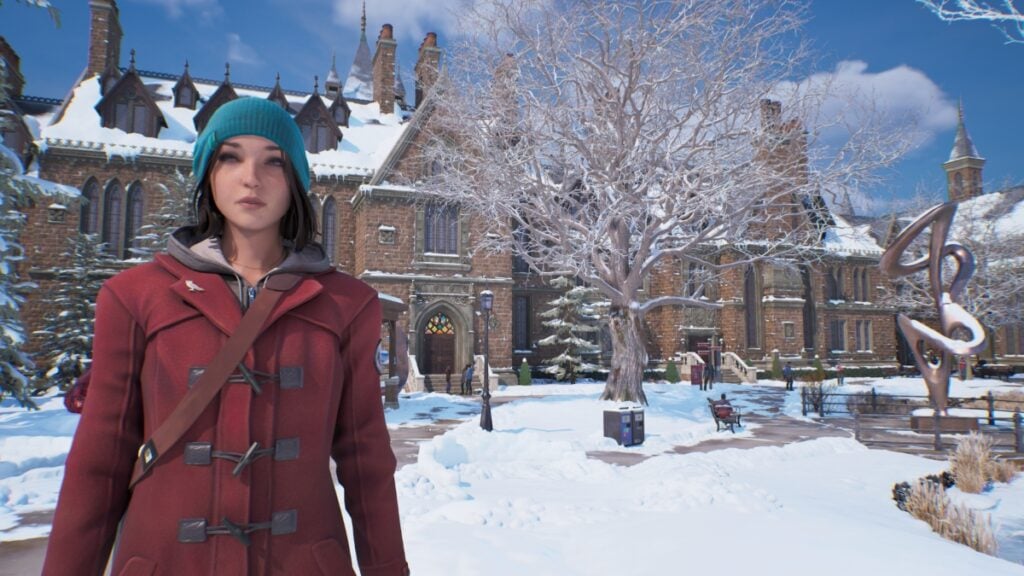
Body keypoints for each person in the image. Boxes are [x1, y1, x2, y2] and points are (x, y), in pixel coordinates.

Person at [43, 98, 409, 576]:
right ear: (208, 173)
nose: (251, 176)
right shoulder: (133, 297)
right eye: (230, 157)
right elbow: (98, 469)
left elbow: (368, 469)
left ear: (294, 179)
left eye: (273, 160)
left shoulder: (346, 304)